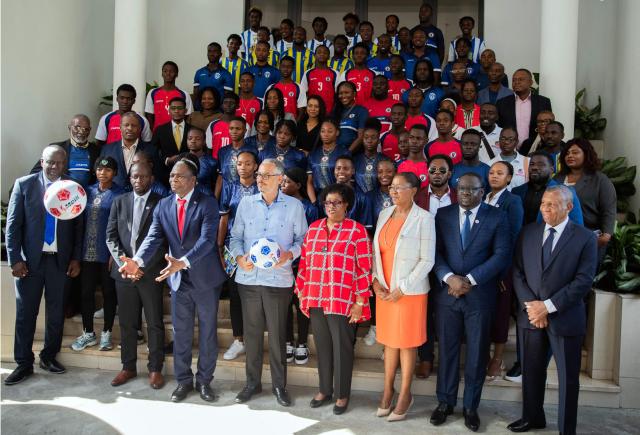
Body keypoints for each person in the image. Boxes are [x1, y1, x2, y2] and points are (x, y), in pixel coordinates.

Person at [119, 157, 227, 403]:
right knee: (181, 333)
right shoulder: (164, 205)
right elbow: (154, 238)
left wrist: (184, 261)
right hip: (178, 280)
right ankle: (183, 381)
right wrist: (137, 260)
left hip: (205, 279)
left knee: (208, 333)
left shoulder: (207, 203)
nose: (173, 180)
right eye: (171, 176)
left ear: (192, 180)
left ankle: (204, 382)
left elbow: (208, 240)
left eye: (179, 176)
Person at [509, 185, 598, 435]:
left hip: (565, 318)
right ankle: (532, 417)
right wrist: (532, 307)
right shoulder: (528, 233)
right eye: (543, 204)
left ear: (569, 207)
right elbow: (517, 272)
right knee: (532, 373)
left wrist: (546, 308)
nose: (545, 209)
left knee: (568, 379)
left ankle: (566, 429)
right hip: (531, 318)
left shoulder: (585, 238)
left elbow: (583, 281)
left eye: (552, 204)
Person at [430, 173, 511, 432]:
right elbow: (436, 252)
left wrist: (470, 280)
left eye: (471, 189)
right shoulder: (443, 215)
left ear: (482, 190)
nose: (464, 192)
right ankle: (445, 403)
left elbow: (501, 255)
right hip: (447, 295)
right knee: (448, 352)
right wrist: (449, 277)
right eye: (461, 188)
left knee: (476, 354)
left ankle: (470, 407)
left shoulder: (496, 216)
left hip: (480, 297)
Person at [230, 159, 308, 407]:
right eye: (258, 175)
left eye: (265, 175)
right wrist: (239, 258)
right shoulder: (245, 203)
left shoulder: (294, 206)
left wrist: (289, 254)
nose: (260, 179)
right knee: (251, 334)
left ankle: (278, 386)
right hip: (248, 279)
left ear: (279, 178)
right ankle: (252, 383)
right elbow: (235, 237)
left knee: (277, 336)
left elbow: (303, 239)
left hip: (278, 279)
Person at [4, 145, 83, 386]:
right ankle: (23, 363)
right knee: (26, 313)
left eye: (59, 163)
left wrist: (75, 258)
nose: (54, 167)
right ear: (41, 161)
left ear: (65, 164)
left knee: (56, 313)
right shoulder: (24, 185)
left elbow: (79, 228)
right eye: (50, 162)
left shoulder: (72, 188)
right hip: (29, 263)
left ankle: (49, 357)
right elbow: (13, 226)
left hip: (59, 262)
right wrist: (15, 259)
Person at [295, 183, 373, 414]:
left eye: (336, 202)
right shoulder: (315, 229)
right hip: (317, 297)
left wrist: (360, 302)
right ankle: (324, 390)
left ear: (346, 204)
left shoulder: (357, 231)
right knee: (323, 347)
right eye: (327, 202)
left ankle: (341, 394)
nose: (331, 206)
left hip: (342, 300)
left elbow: (364, 269)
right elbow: (305, 264)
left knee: (342, 349)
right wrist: (302, 293)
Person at [372, 171, 436, 421]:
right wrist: (376, 281)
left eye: (400, 187)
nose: (394, 191)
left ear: (414, 190)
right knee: (389, 342)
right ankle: (388, 390)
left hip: (409, 293)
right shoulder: (384, 214)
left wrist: (403, 288)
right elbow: (377, 252)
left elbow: (427, 259)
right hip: (385, 290)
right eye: (392, 187)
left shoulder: (424, 218)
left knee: (406, 343)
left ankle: (405, 394)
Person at [105, 161, 166, 389]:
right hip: (124, 273)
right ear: (129, 178)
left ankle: (154, 369)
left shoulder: (160, 203)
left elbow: (161, 240)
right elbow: (110, 236)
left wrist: (140, 266)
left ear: (151, 178)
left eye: (142, 177)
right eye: (134, 177)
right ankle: (128, 367)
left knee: (154, 323)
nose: (138, 181)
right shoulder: (120, 201)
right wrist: (126, 263)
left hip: (148, 273)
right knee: (128, 323)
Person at [70, 157, 124, 352]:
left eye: (108, 169)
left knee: (110, 293)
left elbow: (121, 225)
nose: (103, 172)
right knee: (86, 293)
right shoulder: (86, 192)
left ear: (115, 172)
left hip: (108, 253)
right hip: (87, 253)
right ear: (95, 171)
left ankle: (107, 333)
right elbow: (78, 223)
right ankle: (88, 333)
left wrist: (116, 253)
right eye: (100, 169)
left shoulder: (120, 194)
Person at [414, 154, 457, 379]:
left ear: (450, 173)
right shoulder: (418, 196)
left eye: (442, 170)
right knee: (425, 312)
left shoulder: (460, 196)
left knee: (447, 313)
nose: (437, 174)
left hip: (452, 263)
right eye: (432, 170)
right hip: (422, 262)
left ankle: (449, 361)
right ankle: (426, 358)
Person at [484, 161, 524, 380]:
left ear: (509, 178)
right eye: (491, 172)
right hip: (482, 265)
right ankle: (482, 354)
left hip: (502, 267)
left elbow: (514, 237)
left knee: (500, 313)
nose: (494, 176)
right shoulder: (483, 197)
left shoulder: (513, 201)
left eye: (500, 173)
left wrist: (503, 271)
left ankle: (497, 359)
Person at [218, 151, 260, 361]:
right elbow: (224, 219)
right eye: (239, 163)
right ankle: (239, 340)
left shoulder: (261, 186)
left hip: (258, 249)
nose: (243, 167)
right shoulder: (229, 187)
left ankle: (255, 340)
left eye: (248, 163)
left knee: (256, 294)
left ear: (255, 166)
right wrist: (219, 247)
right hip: (233, 249)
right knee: (235, 294)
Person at [553, 138, 616, 261]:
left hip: (590, 236)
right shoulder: (557, 178)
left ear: (586, 154)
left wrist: (606, 236)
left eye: (575, 152)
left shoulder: (600, 180)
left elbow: (609, 209)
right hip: (559, 238)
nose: (570, 156)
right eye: (567, 153)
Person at [281, 168, 318, 365]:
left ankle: (302, 342)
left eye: (287, 182)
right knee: (285, 304)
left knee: (302, 303)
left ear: (298, 185)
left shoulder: (309, 208)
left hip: (303, 265)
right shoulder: (280, 205)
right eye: (282, 182)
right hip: (283, 264)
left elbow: (310, 238)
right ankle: (288, 341)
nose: (283, 185)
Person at [513, 151, 583, 226]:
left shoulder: (565, 192)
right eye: (531, 164)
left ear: (551, 170)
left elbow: (576, 226)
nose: (534, 167)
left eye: (541, 165)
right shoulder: (517, 191)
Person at [32, 114, 100, 188]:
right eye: (77, 127)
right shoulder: (57, 148)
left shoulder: (96, 150)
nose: (81, 132)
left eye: (86, 129)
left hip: (88, 194)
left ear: (90, 130)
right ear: (69, 128)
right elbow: (35, 173)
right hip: (62, 193)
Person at [99, 112, 159, 189]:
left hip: (140, 195)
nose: (130, 128)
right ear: (120, 127)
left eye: (133, 125)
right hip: (113, 196)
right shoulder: (107, 149)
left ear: (140, 128)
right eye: (126, 125)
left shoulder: (151, 150)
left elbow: (157, 176)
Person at [496, 69, 552, 145]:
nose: (516, 82)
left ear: (530, 83)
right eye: (514, 80)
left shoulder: (543, 102)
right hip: (509, 148)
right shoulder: (502, 103)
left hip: (535, 148)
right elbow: (498, 127)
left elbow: (549, 125)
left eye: (520, 79)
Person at [151, 97, 192, 185]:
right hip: (165, 176)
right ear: (169, 110)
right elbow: (153, 152)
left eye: (180, 108)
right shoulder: (160, 130)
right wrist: (167, 160)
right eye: (173, 108)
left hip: (187, 176)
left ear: (185, 110)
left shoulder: (192, 130)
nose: (176, 111)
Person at [307, 119, 350, 202]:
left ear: (337, 132)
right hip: (317, 198)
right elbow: (310, 181)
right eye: (323, 131)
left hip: (338, 198)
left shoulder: (344, 152)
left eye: (330, 131)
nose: (325, 134)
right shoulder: (313, 154)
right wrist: (314, 202)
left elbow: (347, 180)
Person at [214, 117, 258, 198]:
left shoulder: (253, 150)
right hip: (226, 195)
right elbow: (220, 176)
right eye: (231, 128)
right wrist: (215, 198)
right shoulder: (223, 151)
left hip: (246, 194)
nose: (234, 131)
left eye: (238, 129)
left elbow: (256, 176)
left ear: (245, 131)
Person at [145, 61, 194, 132]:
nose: (168, 73)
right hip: (157, 133)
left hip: (178, 133)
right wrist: (154, 132)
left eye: (171, 71)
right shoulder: (153, 92)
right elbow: (149, 115)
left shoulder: (184, 94)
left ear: (176, 74)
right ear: (162, 74)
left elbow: (188, 116)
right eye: (165, 71)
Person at [334, 155, 374, 230]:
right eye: (338, 168)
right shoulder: (325, 195)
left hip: (354, 240)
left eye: (346, 168)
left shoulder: (363, 199)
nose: (341, 171)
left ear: (353, 171)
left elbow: (366, 229)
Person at [193, 42, 234, 107]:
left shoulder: (226, 75)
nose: (212, 54)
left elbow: (227, 98)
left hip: (218, 113)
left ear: (220, 54)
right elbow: (195, 95)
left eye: (215, 51)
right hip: (201, 112)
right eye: (209, 51)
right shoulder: (199, 72)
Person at [300, 45, 338, 113]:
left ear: (329, 56)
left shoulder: (335, 73)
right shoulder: (308, 73)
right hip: (312, 111)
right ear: (315, 55)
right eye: (319, 52)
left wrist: (334, 111)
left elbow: (337, 94)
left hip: (329, 112)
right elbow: (303, 94)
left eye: (325, 53)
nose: (322, 54)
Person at [334, 81, 368, 153]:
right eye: (340, 93)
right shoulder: (335, 112)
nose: (343, 96)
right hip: (335, 154)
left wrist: (348, 153)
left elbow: (361, 137)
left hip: (353, 155)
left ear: (354, 94)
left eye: (346, 92)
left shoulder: (361, 111)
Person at [354, 118, 385, 194]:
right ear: (362, 139)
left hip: (378, 201)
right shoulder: (355, 160)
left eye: (373, 138)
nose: (369, 141)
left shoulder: (385, 161)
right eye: (366, 137)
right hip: (359, 202)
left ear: (378, 140)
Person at [206, 91, 240, 159]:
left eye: (232, 103)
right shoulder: (213, 124)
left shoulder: (244, 125)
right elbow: (209, 148)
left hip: (236, 163)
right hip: (216, 164)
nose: (228, 105)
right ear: (221, 105)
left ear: (237, 106)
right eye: (225, 102)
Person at [184, 128, 218, 196]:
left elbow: (216, 184)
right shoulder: (181, 160)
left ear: (204, 141)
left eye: (197, 139)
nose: (193, 141)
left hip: (205, 199)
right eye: (190, 138)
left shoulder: (212, 162)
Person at [342, 43, 376, 107]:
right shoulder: (345, 73)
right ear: (353, 56)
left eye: (362, 53)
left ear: (367, 56)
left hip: (369, 110)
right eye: (356, 53)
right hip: (350, 110)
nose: (359, 55)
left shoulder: (374, 74)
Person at [398, 125, 431, 189]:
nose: (414, 141)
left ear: (426, 141)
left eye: (418, 138)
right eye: (411, 137)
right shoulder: (397, 165)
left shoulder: (430, 167)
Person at [372, 159, 397, 223]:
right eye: (380, 172)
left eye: (389, 171)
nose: (384, 175)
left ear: (396, 173)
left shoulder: (401, 195)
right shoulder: (369, 197)